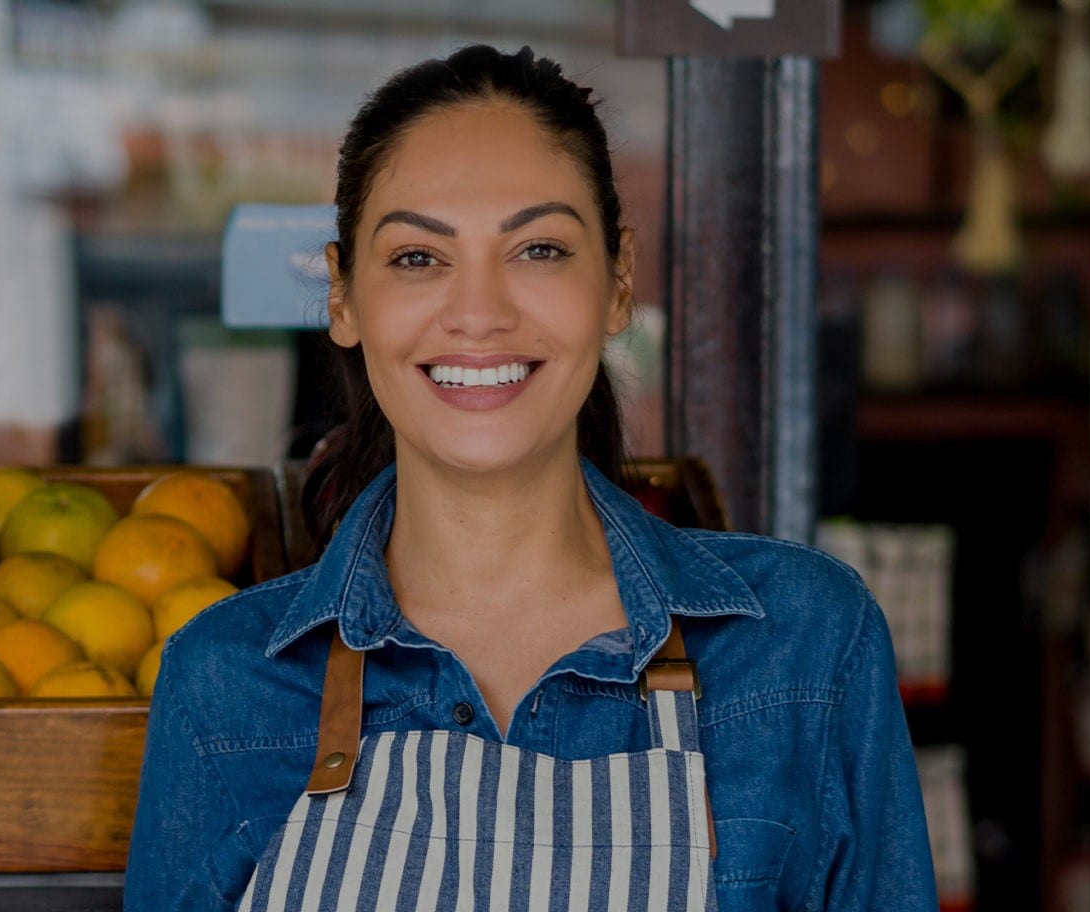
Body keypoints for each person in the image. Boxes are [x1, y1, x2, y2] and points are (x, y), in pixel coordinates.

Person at [126, 45, 936, 910]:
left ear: (619, 282)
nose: (479, 313)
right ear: (343, 297)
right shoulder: (223, 683)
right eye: (416, 258)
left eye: (539, 249)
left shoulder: (803, 646)